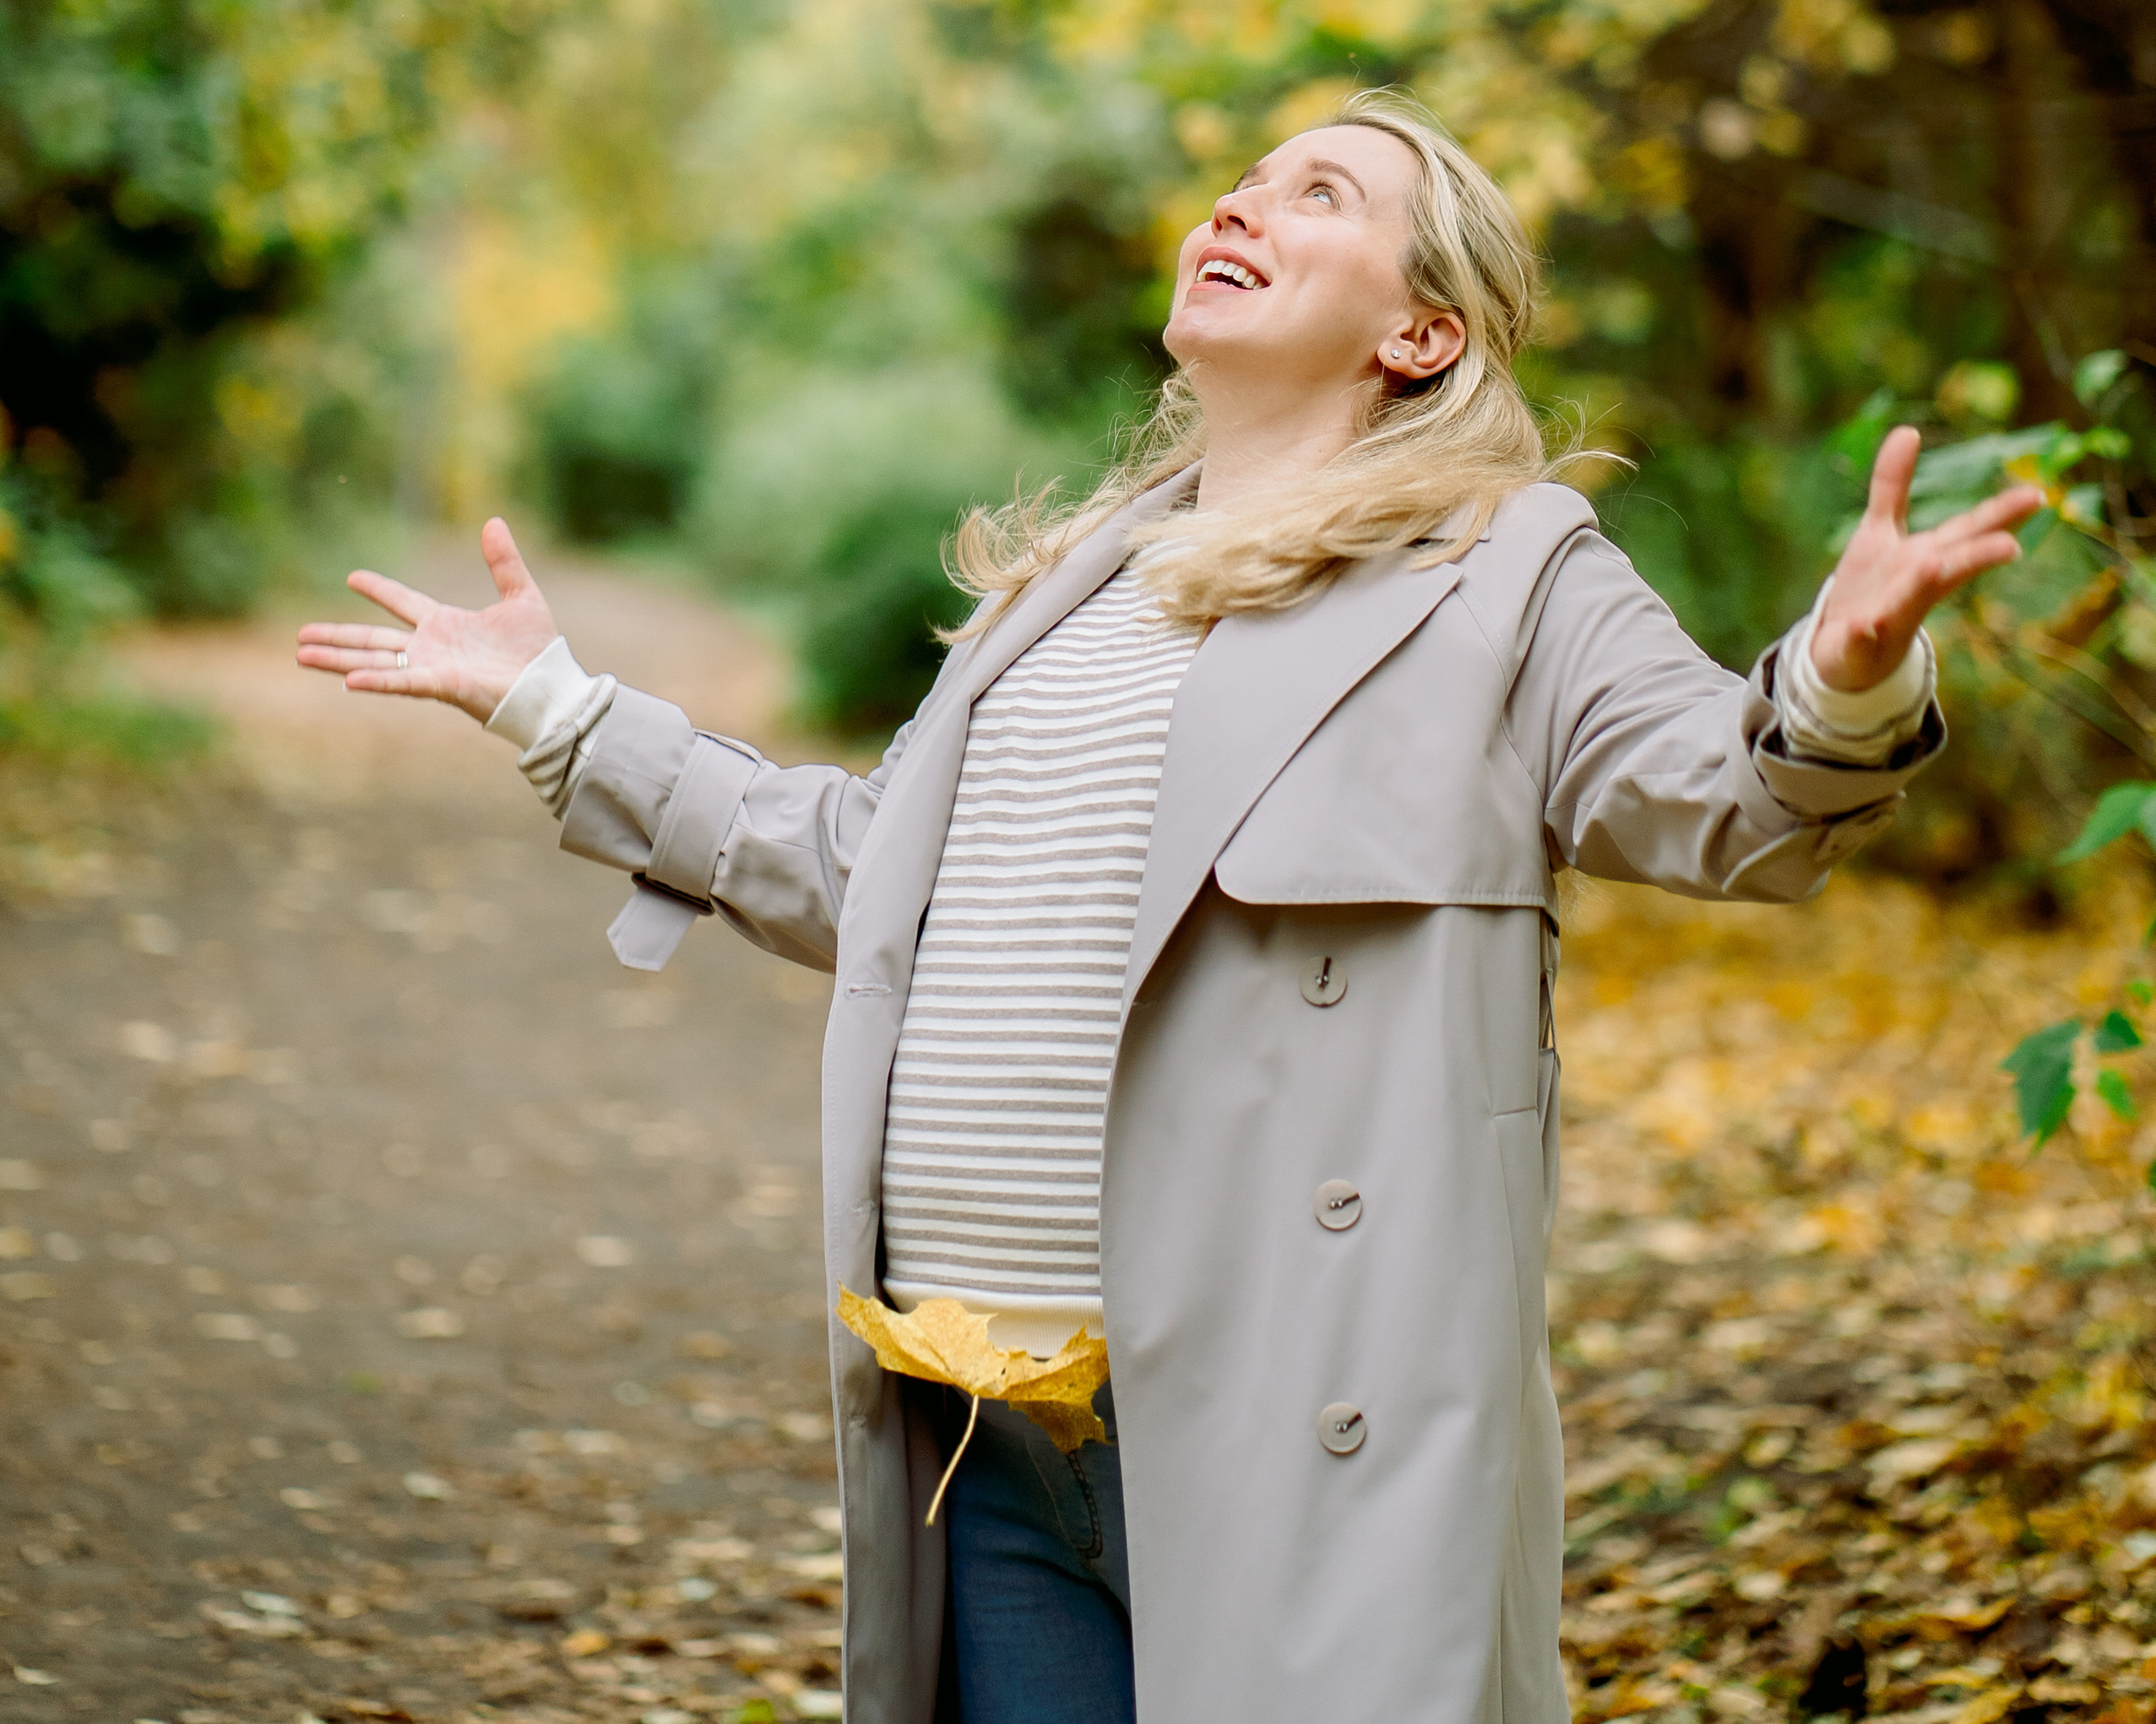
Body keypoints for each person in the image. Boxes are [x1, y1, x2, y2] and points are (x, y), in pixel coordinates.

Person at [297, 91, 2043, 1724]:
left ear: (1416, 332)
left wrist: (1835, 672)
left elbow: (1723, 798)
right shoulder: (1067, 584)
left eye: (1319, 191)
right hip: (982, 1424)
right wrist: (557, 711)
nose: (1242, 199)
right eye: (1244, 178)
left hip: (1297, 1434)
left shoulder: (1507, 571)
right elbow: (866, 869)